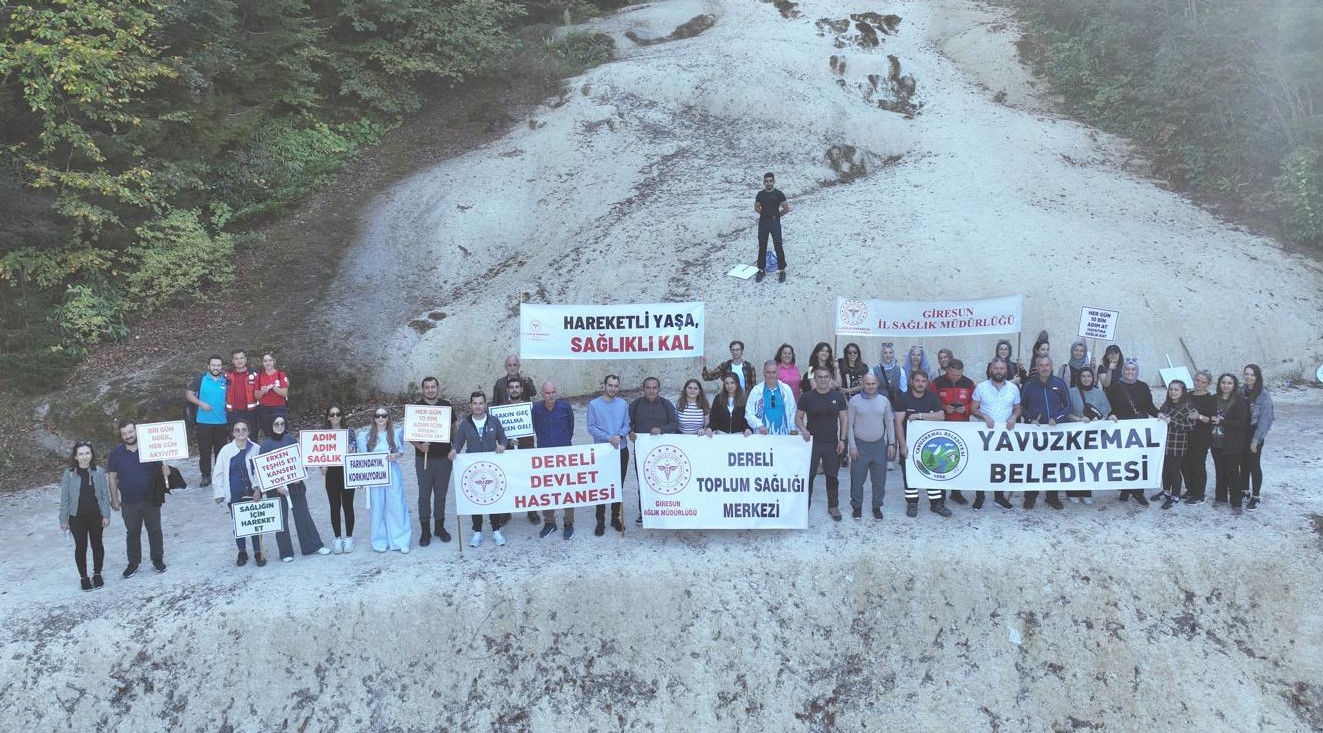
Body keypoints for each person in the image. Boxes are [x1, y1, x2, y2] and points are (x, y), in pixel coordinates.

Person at [260, 416, 331, 560]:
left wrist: (299, 474)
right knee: (281, 520)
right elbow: (264, 470)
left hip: (295, 485)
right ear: (270, 425)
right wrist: (277, 486)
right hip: (277, 489)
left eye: (282, 423)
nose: (279, 426)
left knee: (303, 515)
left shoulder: (290, 439)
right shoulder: (265, 446)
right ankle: (286, 552)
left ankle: (313, 545)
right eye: (276, 424)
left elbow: (300, 459)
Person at [108, 421, 168, 577]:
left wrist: (166, 471)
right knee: (132, 532)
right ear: (121, 435)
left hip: (151, 498)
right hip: (129, 501)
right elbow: (113, 478)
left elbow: (161, 471)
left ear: (136, 431)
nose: (128, 436)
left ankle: (157, 559)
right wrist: (114, 499)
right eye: (124, 433)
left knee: (154, 530)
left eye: (130, 432)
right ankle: (133, 562)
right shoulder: (117, 453)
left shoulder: (150, 447)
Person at [449, 392, 509, 546]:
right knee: (475, 499)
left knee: (493, 497)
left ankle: (496, 530)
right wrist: (454, 450)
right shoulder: (465, 423)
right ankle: (477, 531)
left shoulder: (494, 421)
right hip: (473, 467)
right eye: (475, 403)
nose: (478, 406)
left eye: (481, 403)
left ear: (485, 405)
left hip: (491, 466)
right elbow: (458, 442)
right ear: (470, 405)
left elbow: (503, 438)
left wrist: (502, 445)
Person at [894, 371, 952, 518]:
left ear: (927, 382)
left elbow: (941, 416)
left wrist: (919, 416)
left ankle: (936, 503)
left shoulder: (932, 396)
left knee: (933, 472)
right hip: (909, 444)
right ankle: (912, 503)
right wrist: (902, 445)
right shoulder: (903, 398)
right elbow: (898, 423)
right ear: (911, 381)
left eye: (923, 381)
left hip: (929, 445)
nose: (920, 384)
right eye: (917, 380)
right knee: (909, 475)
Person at [1018, 355, 1072, 509]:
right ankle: (1030, 496)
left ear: (1051, 366)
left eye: (1047, 365)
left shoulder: (1059, 383)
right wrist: (1030, 420)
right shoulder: (1029, 385)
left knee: (1053, 466)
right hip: (1035, 432)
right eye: (1041, 365)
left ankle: (1052, 496)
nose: (1044, 368)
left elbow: (1068, 406)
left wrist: (1057, 418)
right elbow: (1021, 407)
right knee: (1033, 465)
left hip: (1054, 432)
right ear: (1037, 367)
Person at [796, 367, 849, 520]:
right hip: (811, 442)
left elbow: (844, 419)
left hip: (831, 443)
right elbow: (798, 417)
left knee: (832, 476)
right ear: (815, 379)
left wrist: (843, 440)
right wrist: (803, 429)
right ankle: (804, 507)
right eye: (820, 377)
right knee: (809, 476)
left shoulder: (838, 396)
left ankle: (833, 506)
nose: (823, 380)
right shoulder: (807, 397)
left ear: (831, 379)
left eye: (826, 377)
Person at [970, 358, 1021, 510]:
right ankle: (980, 496)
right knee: (983, 465)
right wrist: (984, 416)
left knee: (1001, 465)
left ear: (1006, 370)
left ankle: (999, 496)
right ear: (991, 369)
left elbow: (1018, 408)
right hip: (985, 434)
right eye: (996, 368)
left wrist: (1014, 416)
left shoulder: (1013, 388)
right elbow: (973, 409)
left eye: (1002, 368)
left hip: (1004, 435)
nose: (999, 371)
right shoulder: (981, 387)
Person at [212, 420, 264, 567]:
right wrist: (218, 492)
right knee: (239, 523)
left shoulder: (256, 449)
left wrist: (257, 489)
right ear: (233, 433)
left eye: (244, 429)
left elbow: (260, 472)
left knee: (255, 522)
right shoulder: (226, 450)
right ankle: (242, 551)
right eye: (237, 430)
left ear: (248, 432)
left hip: (252, 493)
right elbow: (218, 473)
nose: (241, 432)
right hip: (234, 493)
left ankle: (258, 551)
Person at [59, 442, 111, 591]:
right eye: (81, 454)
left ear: (92, 455)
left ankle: (97, 574)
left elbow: (104, 495)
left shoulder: (99, 471)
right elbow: (65, 498)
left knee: (97, 544)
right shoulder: (69, 474)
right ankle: (84, 577)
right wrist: (63, 519)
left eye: (87, 453)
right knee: (80, 547)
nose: (84, 456)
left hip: (96, 516)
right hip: (77, 518)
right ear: (75, 456)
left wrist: (106, 515)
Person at [410, 376, 454, 546]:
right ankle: (425, 530)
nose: (430, 390)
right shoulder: (417, 408)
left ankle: (439, 527)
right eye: (427, 387)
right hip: (424, 459)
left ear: (437, 388)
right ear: (423, 389)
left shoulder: (446, 406)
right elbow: (410, 435)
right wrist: (419, 446)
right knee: (424, 496)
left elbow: (453, 427)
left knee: (441, 495)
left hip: (444, 459)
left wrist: (454, 446)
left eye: (433, 387)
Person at [630, 376, 680, 525]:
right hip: (642, 451)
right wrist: (630, 434)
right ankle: (643, 511)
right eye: (648, 387)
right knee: (644, 482)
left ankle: (665, 510)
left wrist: (661, 429)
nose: (651, 390)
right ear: (643, 389)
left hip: (663, 452)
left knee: (665, 482)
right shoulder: (635, 404)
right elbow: (629, 424)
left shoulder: (666, 404)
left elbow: (674, 423)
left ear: (659, 389)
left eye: (654, 387)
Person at [847, 373, 896, 520]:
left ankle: (877, 506)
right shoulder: (854, 401)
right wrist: (852, 446)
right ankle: (857, 507)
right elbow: (849, 425)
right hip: (860, 446)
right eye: (867, 384)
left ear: (877, 384)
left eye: (873, 383)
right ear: (863, 384)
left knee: (879, 480)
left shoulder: (884, 401)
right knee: (857, 479)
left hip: (879, 446)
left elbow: (889, 423)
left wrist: (891, 443)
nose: (870, 386)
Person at [532, 381, 576, 539]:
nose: (551, 396)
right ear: (542, 394)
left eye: (553, 392)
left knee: (567, 488)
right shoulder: (536, 409)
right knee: (547, 488)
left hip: (564, 454)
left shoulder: (565, 407)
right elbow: (533, 427)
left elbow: (571, 428)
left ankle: (568, 522)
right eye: (547, 393)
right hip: (544, 456)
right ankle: (549, 522)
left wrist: (562, 443)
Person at [587, 375, 630, 536]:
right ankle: (600, 520)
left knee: (618, 485)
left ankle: (615, 518)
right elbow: (591, 427)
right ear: (604, 385)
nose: (613, 388)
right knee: (602, 486)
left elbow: (627, 424)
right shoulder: (594, 405)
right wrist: (608, 438)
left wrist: (619, 435)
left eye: (616, 386)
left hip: (621, 449)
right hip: (602, 451)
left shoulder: (622, 404)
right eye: (610, 385)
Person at [364, 408, 411, 552]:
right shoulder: (366, 437)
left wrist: (394, 456)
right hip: (375, 475)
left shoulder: (395, 433)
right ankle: (379, 541)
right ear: (373, 418)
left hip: (392, 472)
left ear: (388, 418)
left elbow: (400, 452)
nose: (380, 418)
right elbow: (361, 459)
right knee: (377, 507)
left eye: (383, 415)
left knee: (397, 505)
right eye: (377, 415)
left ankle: (401, 541)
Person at [1066, 367, 1115, 504]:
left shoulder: (1099, 393)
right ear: (1078, 378)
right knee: (1074, 463)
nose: (1086, 379)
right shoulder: (1071, 393)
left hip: (1093, 435)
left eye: (1089, 376)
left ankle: (1087, 491)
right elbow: (1066, 413)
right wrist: (1079, 420)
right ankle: (1072, 491)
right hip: (1075, 434)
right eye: (1083, 376)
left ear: (1093, 378)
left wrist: (1103, 420)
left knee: (1089, 462)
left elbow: (1106, 412)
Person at [496, 375, 540, 525]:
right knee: (507, 480)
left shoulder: (530, 407)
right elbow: (497, 431)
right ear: (507, 390)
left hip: (526, 448)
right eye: (511, 387)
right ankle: (506, 512)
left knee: (528, 480)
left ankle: (531, 511)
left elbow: (536, 426)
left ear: (521, 389)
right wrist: (508, 440)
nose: (514, 390)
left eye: (517, 387)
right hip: (507, 450)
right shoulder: (501, 409)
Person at [931, 358, 976, 505]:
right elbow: (931, 400)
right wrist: (944, 407)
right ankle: (941, 495)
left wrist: (966, 409)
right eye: (953, 375)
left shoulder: (969, 383)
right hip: (942, 428)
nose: (956, 378)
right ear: (947, 370)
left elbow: (975, 403)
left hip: (962, 427)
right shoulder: (937, 382)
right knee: (942, 462)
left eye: (958, 375)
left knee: (959, 462)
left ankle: (956, 493)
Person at [185, 355, 228, 488]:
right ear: (208, 366)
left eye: (218, 365)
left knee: (221, 452)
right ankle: (206, 475)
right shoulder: (201, 379)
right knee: (205, 451)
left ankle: (220, 475)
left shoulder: (226, 380)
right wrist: (201, 404)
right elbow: (188, 394)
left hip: (222, 421)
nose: (216, 368)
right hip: (203, 422)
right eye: (213, 365)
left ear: (221, 367)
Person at [320, 404, 359, 552]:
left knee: (348, 506)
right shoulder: (323, 433)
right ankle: (337, 538)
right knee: (334, 506)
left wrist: (351, 451)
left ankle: (349, 538)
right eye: (332, 414)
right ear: (328, 417)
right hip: (331, 473)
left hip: (347, 472)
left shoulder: (349, 431)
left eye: (338, 414)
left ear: (342, 416)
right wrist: (321, 467)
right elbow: (318, 455)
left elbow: (355, 450)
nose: (335, 417)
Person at [1209, 373, 1250, 513]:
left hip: (1232, 444)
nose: (1226, 385)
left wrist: (1222, 421)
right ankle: (1220, 498)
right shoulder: (1214, 399)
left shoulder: (1240, 401)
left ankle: (1236, 502)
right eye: (1223, 382)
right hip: (1216, 442)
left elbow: (1241, 423)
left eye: (1229, 383)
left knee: (1233, 472)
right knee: (1219, 470)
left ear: (1234, 385)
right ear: (1219, 384)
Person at [1155, 381, 1197, 510]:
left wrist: (1171, 421)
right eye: (1171, 389)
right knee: (1165, 470)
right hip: (1164, 444)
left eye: (1176, 390)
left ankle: (1175, 495)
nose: (1173, 392)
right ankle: (1166, 491)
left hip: (1177, 445)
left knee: (1174, 471)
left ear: (1182, 391)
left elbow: (1190, 426)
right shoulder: (1167, 404)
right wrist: (1159, 415)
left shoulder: (1188, 406)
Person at [1240, 363, 1274, 512]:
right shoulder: (1241, 391)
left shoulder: (1263, 394)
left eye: (1252, 375)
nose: (1249, 377)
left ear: (1257, 376)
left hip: (1255, 432)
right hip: (1242, 432)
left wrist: (1256, 440)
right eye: (1246, 374)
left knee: (1254, 464)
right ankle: (1244, 490)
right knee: (1243, 463)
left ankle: (1256, 496)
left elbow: (1266, 419)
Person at [1181, 371, 1216, 506]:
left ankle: (1199, 494)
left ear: (1207, 384)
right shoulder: (1188, 395)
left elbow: (1211, 419)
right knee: (1185, 464)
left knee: (1198, 465)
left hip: (1201, 437)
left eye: (1203, 382)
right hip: (1185, 435)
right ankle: (1190, 490)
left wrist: (1199, 416)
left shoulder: (1210, 399)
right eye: (1197, 380)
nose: (1199, 384)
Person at [753, 171, 790, 283]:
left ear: (773, 181)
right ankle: (761, 270)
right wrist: (764, 215)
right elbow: (756, 207)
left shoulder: (779, 194)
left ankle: (782, 270)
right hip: (763, 222)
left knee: (778, 245)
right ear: (764, 182)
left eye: (770, 181)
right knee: (762, 245)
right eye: (766, 181)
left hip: (775, 222)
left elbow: (786, 208)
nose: (768, 183)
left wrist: (777, 216)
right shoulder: (760, 194)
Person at [747, 361, 797, 436]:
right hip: (762, 437)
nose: (771, 375)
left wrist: (793, 428)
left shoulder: (786, 389)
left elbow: (793, 412)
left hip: (784, 438)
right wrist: (759, 425)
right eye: (768, 372)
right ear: (763, 373)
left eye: (774, 372)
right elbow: (749, 414)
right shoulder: (756, 391)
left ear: (778, 373)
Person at [224, 349, 260, 439]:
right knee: (234, 440)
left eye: (241, 358)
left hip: (251, 413)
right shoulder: (226, 375)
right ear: (232, 361)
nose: (239, 361)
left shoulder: (255, 374)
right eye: (236, 359)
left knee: (252, 439)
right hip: (233, 414)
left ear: (245, 359)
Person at [254, 352, 289, 439]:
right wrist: (262, 391)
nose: (267, 363)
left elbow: (285, 393)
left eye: (270, 360)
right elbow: (256, 396)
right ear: (262, 363)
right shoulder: (259, 376)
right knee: (268, 432)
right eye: (265, 361)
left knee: (281, 432)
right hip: (264, 408)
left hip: (279, 408)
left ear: (274, 361)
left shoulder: (280, 374)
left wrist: (273, 387)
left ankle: (282, 451)